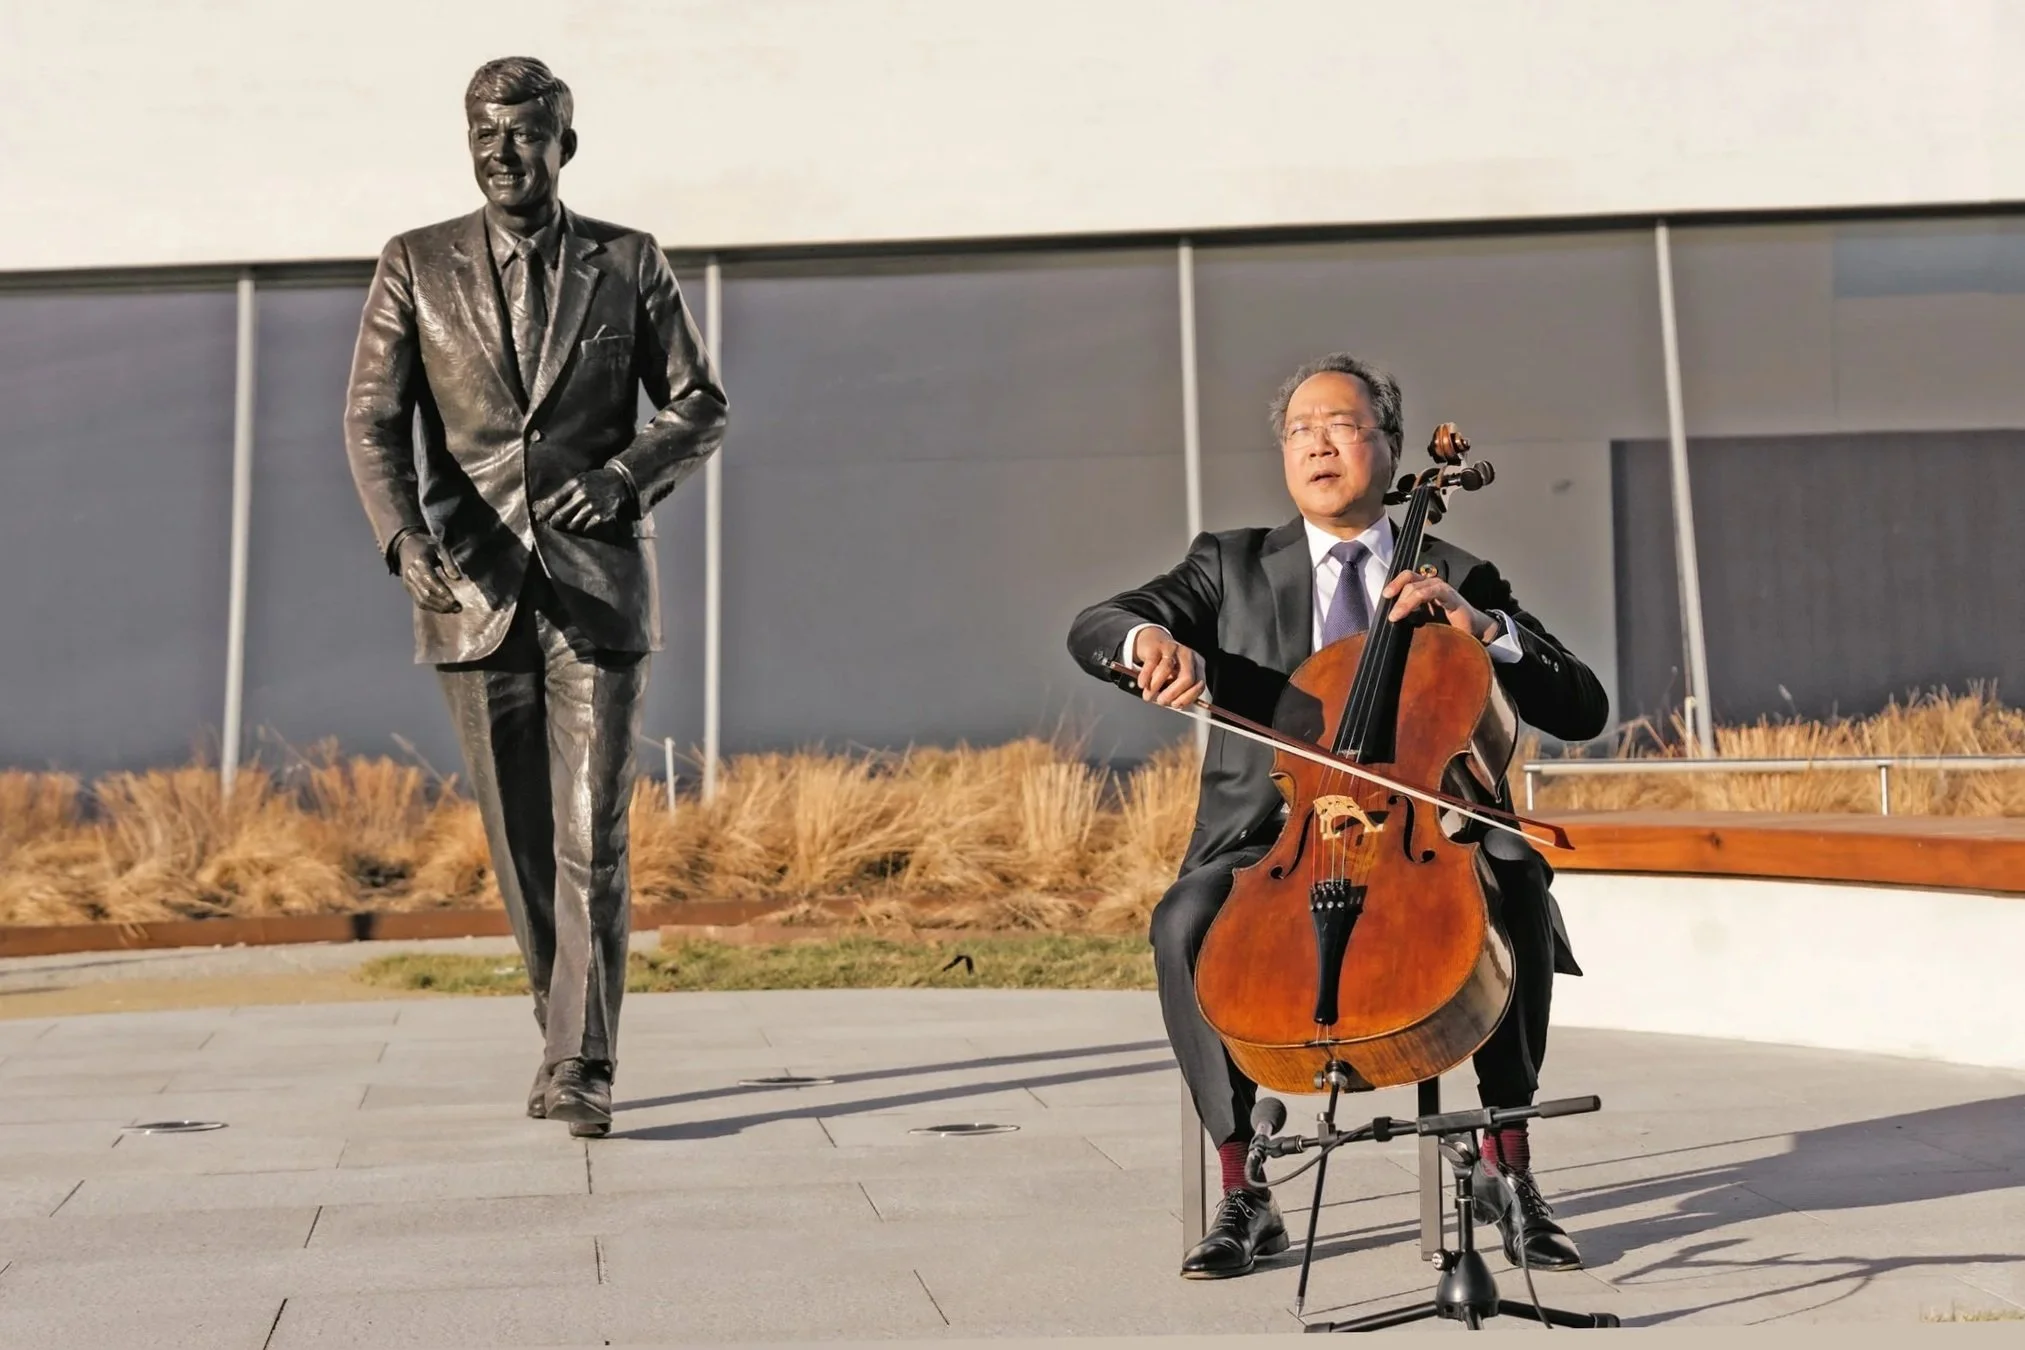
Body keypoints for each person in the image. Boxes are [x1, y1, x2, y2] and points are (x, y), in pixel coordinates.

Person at [1067, 354, 1607, 1278]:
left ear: (1389, 447)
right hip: (1268, 839)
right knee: (1183, 919)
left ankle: (1506, 1164)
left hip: (1426, 835)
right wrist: (1147, 639)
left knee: (1514, 871)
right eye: (1299, 430)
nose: (1317, 443)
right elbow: (1098, 622)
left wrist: (1480, 629)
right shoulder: (1229, 566)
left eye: (1342, 425)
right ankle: (1245, 1184)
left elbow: (1581, 706)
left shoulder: (1458, 571)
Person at [344, 57, 727, 1138]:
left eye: (524, 133)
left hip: (598, 587)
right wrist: (402, 534)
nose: (503, 152)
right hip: (469, 586)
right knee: (519, 843)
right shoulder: (413, 265)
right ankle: (559, 1033)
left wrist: (623, 479)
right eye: (484, 132)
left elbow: (699, 402)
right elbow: (373, 419)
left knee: (589, 830)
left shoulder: (628, 261)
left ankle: (584, 1062)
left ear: (566, 142)